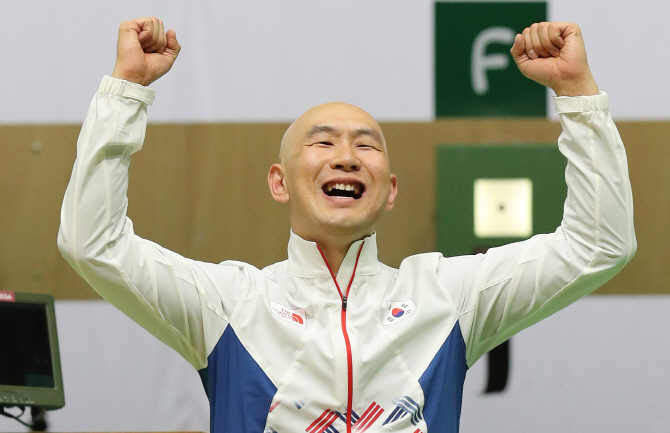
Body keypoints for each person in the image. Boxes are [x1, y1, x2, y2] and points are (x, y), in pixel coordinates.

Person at [58, 17, 636, 433]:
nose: (346, 156)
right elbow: (92, 243)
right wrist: (126, 91)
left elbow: (598, 245)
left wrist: (577, 94)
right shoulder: (228, 303)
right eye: (322, 142)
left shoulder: (448, 296)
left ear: (389, 191)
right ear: (279, 182)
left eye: (367, 146)